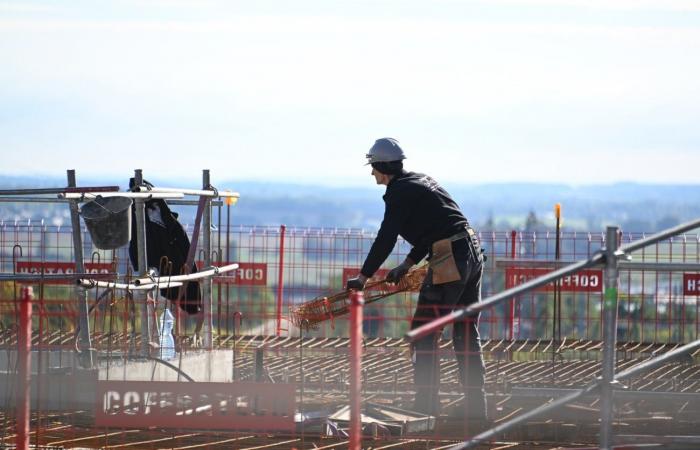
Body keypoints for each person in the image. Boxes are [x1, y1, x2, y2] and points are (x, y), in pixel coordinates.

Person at [346, 137, 486, 420]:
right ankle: (476, 408)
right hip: (471, 253)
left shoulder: (398, 192)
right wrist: (408, 263)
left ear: (382, 167)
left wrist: (363, 276)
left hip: (450, 257)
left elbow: (386, 237)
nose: (372, 173)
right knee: (466, 329)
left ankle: (425, 406)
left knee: (424, 331)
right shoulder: (421, 181)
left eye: (373, 167)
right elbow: (434, 229)